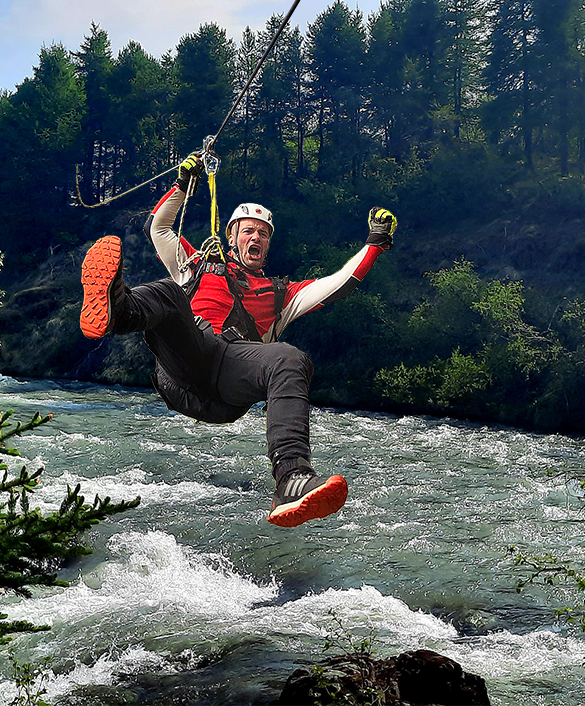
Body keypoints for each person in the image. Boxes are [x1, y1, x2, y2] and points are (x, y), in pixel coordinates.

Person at [79, 153, 397, 527]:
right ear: (231, 237)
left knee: (289, 359)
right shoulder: (196, 262)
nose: (256, 236)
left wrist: (375, 244)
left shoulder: (281, 294)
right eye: (247, 230)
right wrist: (183, 185)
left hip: (229, 384)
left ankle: (292, 479)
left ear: (267, 245)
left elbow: (337, 283)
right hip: (186, 364)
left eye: (262, 233)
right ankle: (117, 309)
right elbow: (159, 229)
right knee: (169, 291)